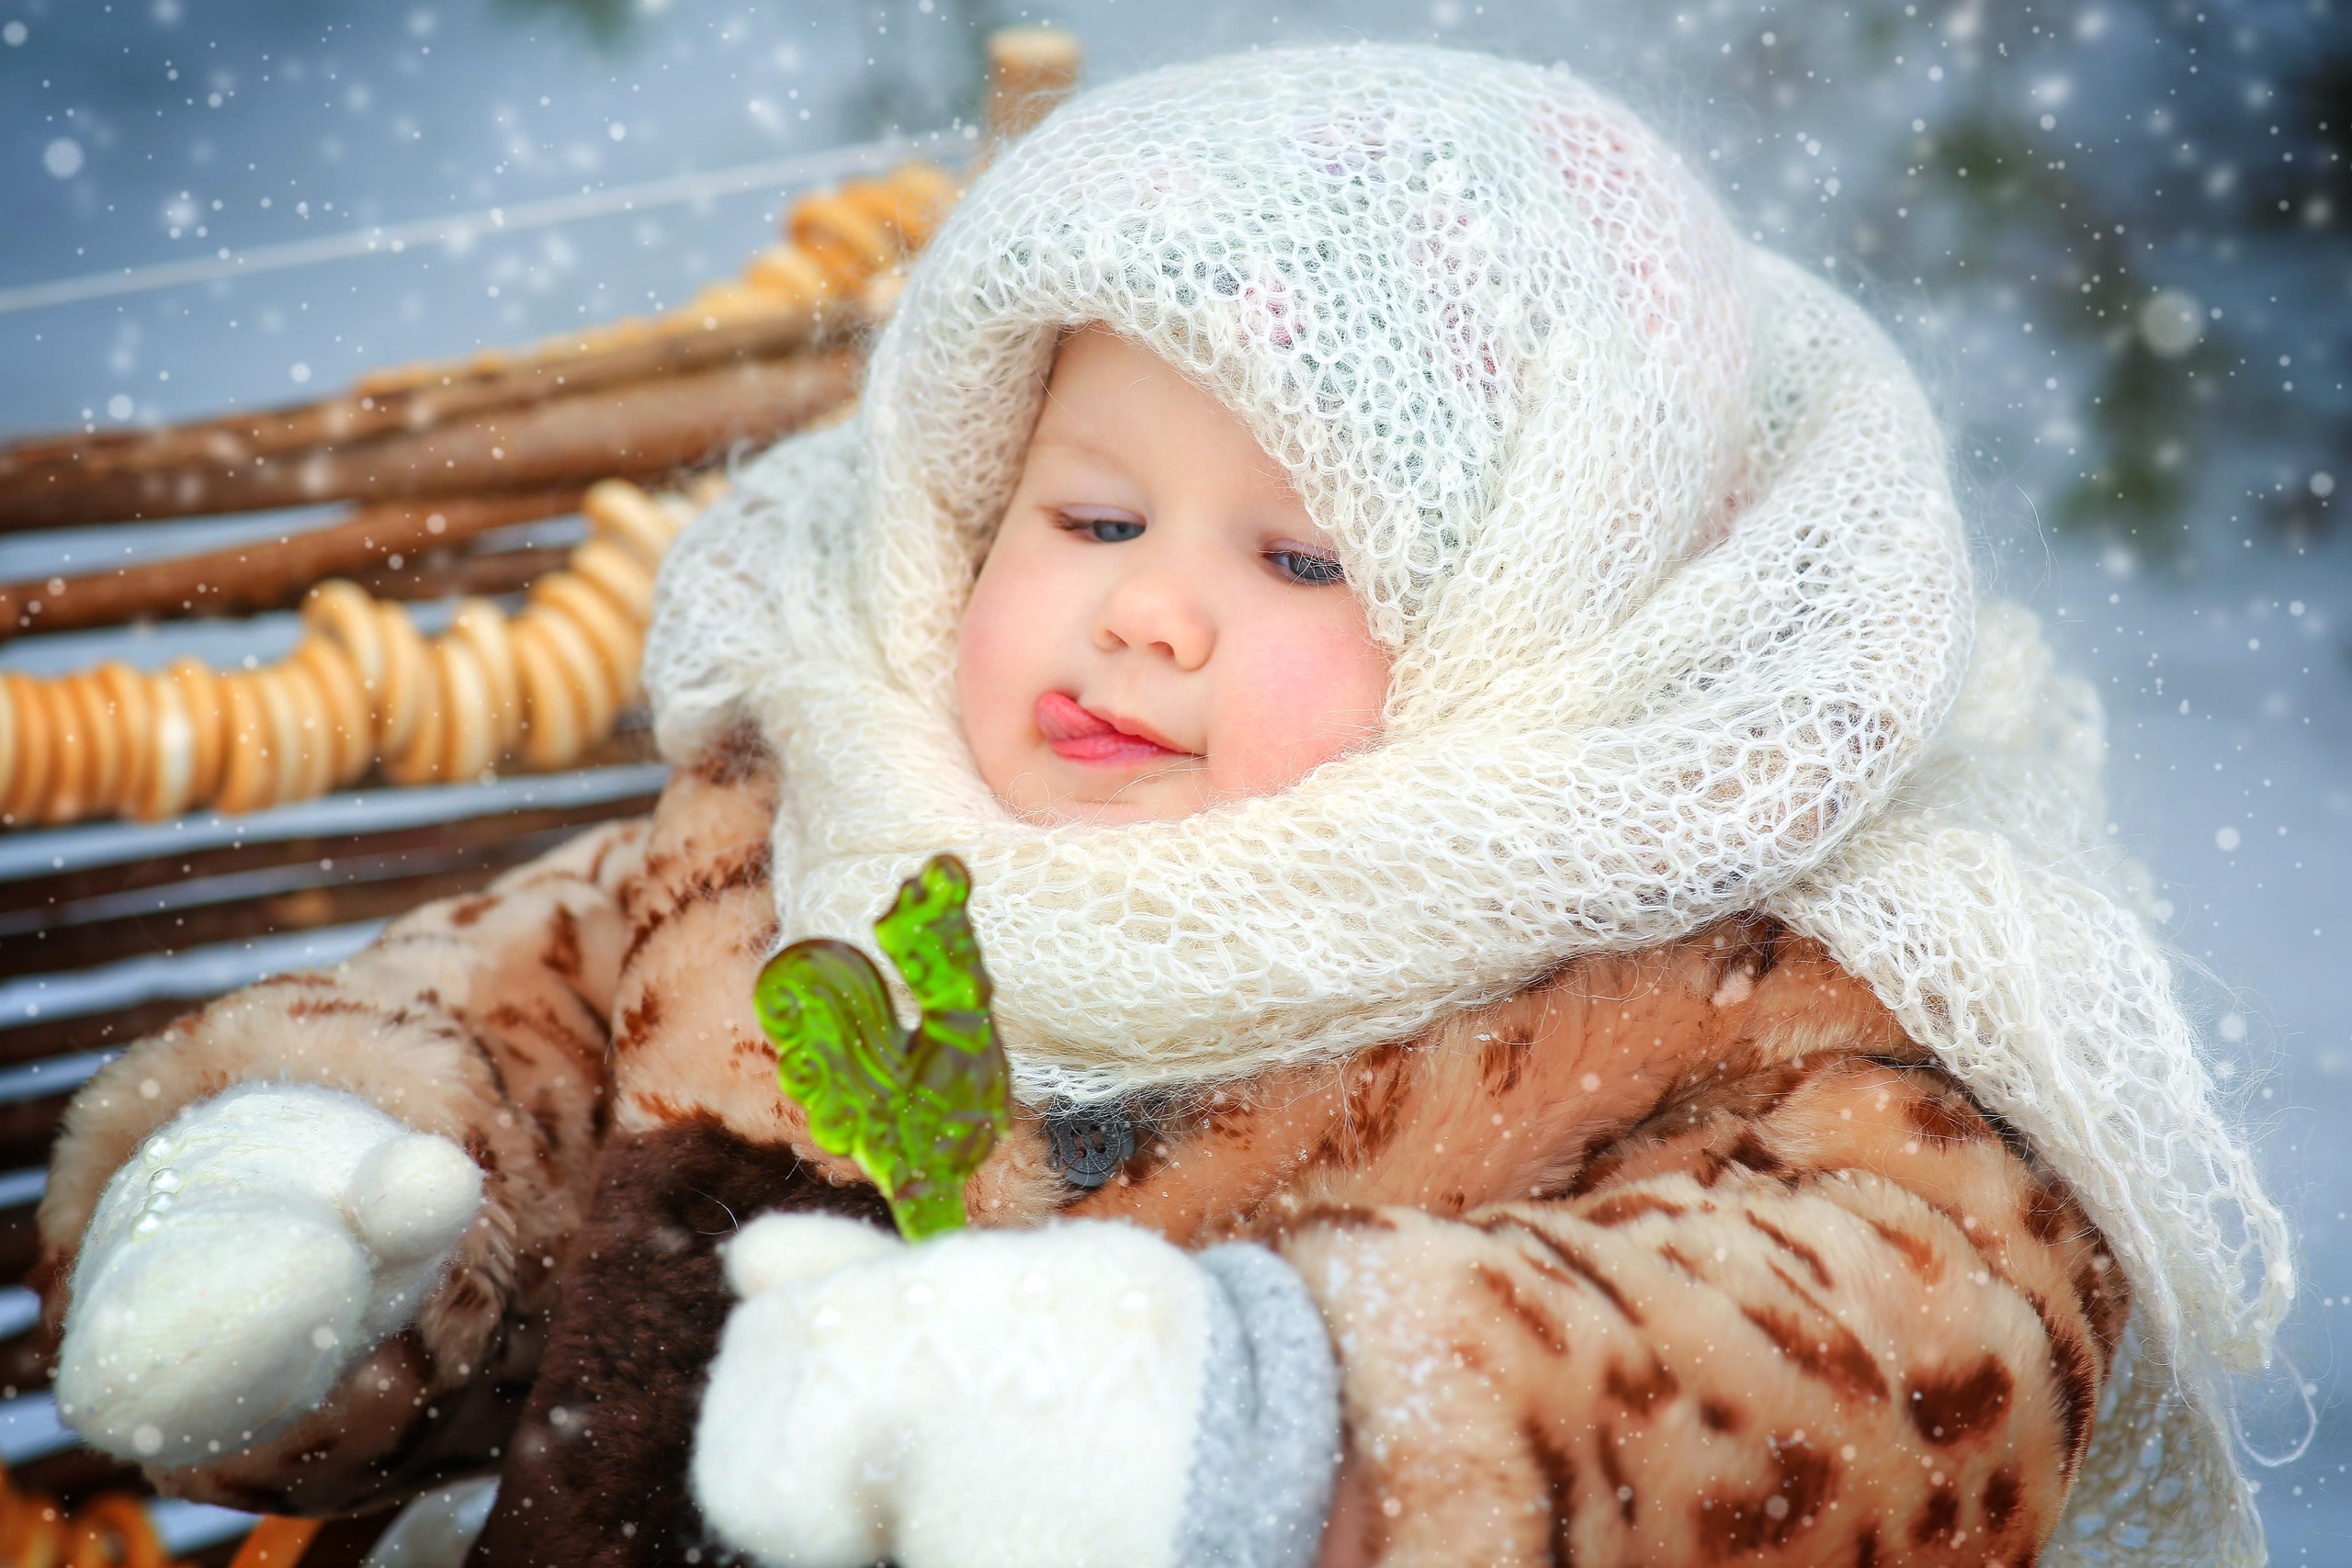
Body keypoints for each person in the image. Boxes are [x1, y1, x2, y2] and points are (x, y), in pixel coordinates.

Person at [36, 44, 2287, 1568]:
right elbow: (518, 1004)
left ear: (1552, 617)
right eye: (1091, 521)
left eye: (1300, 560)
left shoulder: (1699, 972)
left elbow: (1903, 1341)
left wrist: (1273, 1419)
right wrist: (339, 1207)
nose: (1148, 625)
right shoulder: (808, 813)